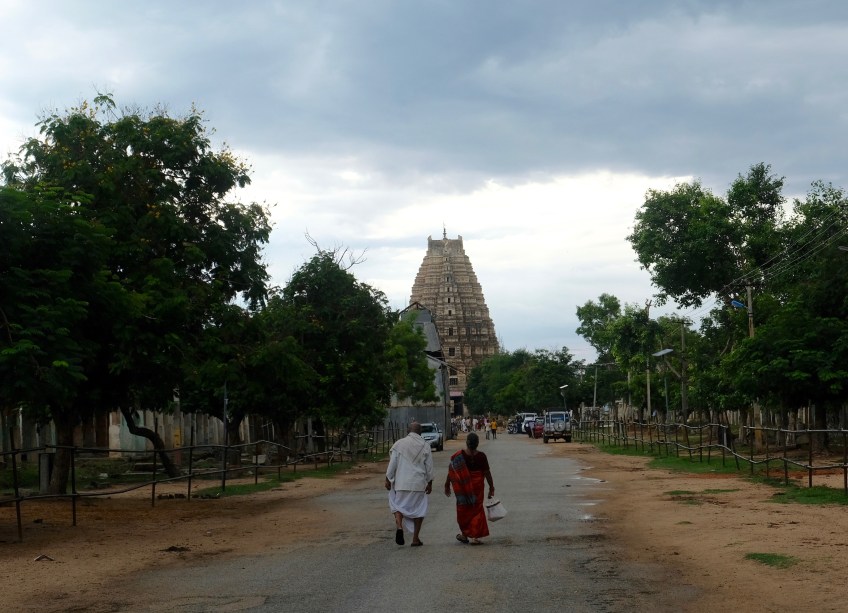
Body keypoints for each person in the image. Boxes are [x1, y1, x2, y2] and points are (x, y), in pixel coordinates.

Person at [385, 421, 434, 547]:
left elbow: (392, 464)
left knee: (398, 506)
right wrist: (430, 483)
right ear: (420, 432)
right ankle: (415, 539)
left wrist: (388, 478)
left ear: (408, 431)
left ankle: (399, 527)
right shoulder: (425, 445)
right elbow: (429, 468)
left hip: (401, 483)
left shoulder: (399, 444)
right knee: (419, 511)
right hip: (418, 484)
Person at [444, 431, 495, 545]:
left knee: (463, 509)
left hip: (463, 488)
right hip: (477, 488)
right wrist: (491, 487)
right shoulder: (481, 456)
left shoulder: (459, 456)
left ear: (467, 443)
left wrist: (447, 484)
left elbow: (452, 471)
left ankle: (465, 534)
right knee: (477, 510)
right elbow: (487, 473)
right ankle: (475, 537)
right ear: (477, 443)